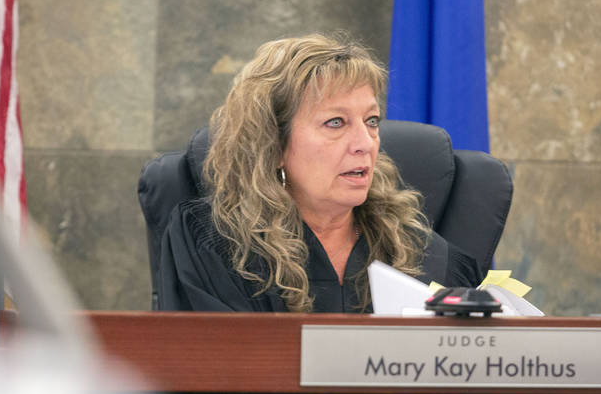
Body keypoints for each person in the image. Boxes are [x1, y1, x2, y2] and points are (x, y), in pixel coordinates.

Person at [157, 32, 483, 312]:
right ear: (274, 143)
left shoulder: (421, 251)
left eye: (371, 121)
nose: (365, 143)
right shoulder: (215, 243)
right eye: (336, 123)